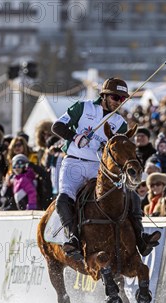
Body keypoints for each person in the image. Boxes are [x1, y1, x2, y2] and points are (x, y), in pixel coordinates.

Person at [51, 77, 160, 259]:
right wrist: (75, 137)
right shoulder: (83, 107)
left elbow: (120, 150)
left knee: (129, 194)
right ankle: (73, 239)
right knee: (64, 198)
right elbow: (57, 126)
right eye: (116, 98)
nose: (119, 102)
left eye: (123, 99)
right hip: (73, 163)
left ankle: (141, 238)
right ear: (104, 96)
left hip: (99, 167)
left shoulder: (120, 123)